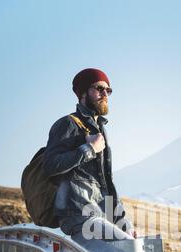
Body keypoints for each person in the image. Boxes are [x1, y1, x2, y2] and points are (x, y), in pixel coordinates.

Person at [42, 68, 136, 243]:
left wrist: (122, 221)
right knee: (129, 248)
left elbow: (106, 182)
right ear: (83, 92)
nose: (105, 94)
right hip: (77, 215)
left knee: (138, 248)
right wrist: (89, 149)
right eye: (99, 88)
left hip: (99, 217)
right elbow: (50, 166)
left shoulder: (101, 130)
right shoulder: (67, 124)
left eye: (108, 90)